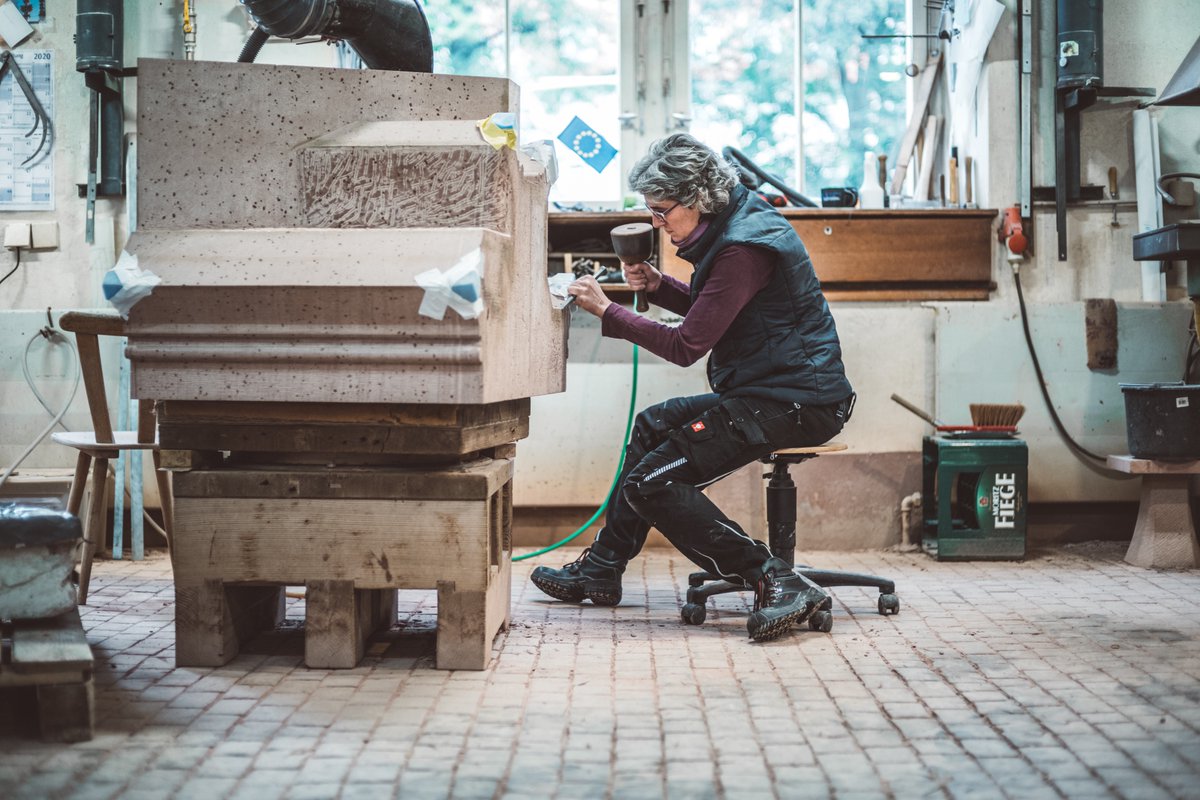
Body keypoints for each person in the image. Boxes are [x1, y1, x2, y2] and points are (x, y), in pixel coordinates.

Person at [531, 133, 855, 641]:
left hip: (797, 402)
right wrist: (661, 286)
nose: (656, 222)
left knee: (651, 483)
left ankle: (776, 578)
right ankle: (603, 565)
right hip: (767, 392)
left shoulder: (744, 248)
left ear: (697, 199)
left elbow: (687, 345)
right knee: (651, 425)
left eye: (661, 211)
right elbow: (717, 314)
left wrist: (607, 310)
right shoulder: (737, 220)